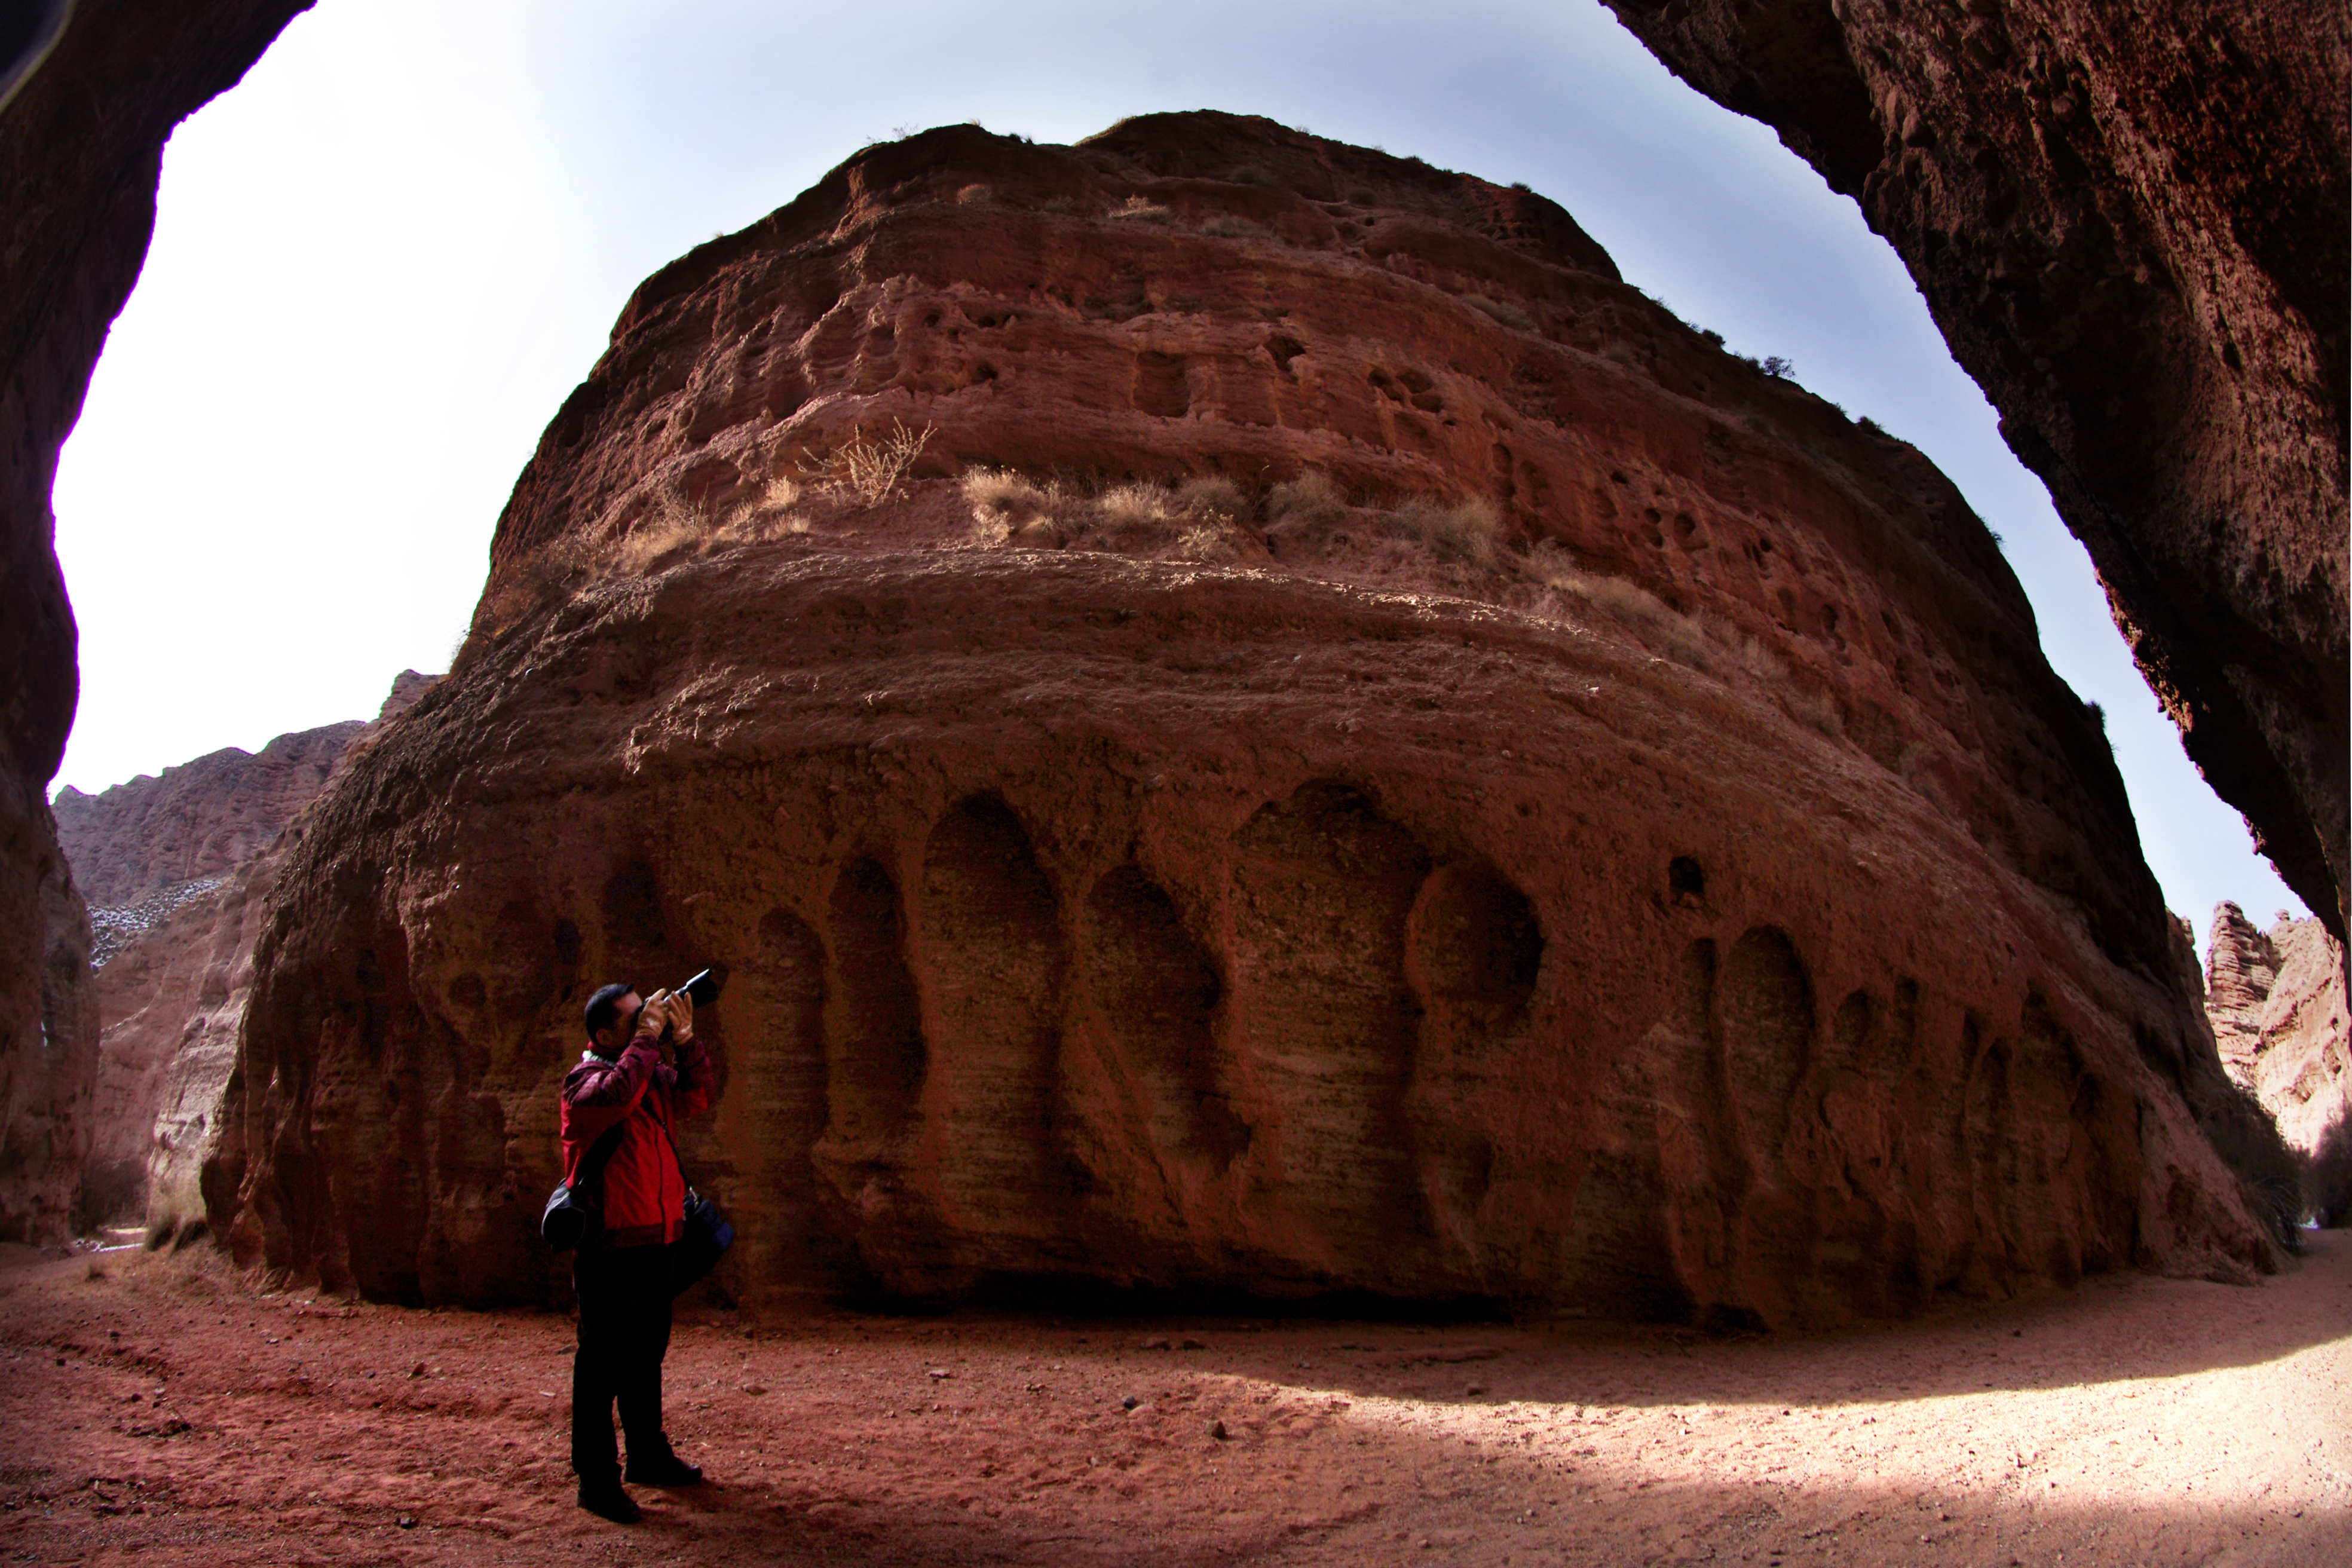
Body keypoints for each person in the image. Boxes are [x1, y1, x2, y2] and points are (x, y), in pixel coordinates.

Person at [561, 980, 718, 1523]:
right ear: (605, 1035)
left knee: (645, 1355)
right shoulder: (586, 1082)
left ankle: (647, 1455)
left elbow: (697, 1096)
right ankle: (596, 1482)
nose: (644, 1024)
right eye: (634, 1020)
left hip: (659, 1234)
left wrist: (687, 1040)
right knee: (600, 1366)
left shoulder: (646, 1072)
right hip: (610, 1243)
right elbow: (616, 1097)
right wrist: (649, 1041)